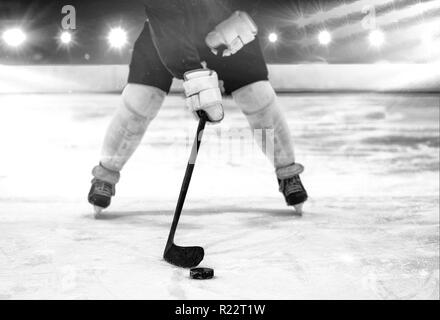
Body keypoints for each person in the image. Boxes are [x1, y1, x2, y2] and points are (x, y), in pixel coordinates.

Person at [88, 0, 308, 215]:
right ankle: (105, 176)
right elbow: (164, 17)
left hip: (227, 25)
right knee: (140, 100)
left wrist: (249, 16)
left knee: (258, 97)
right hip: (168, 34)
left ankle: (288, 174)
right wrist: (195, 76)